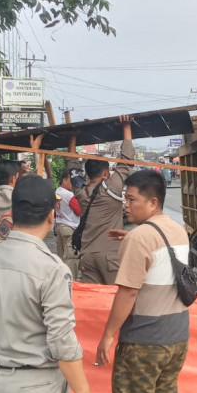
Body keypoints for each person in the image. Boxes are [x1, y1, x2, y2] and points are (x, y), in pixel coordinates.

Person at [0, 175, 98, 393]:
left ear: (13, 212)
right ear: (51, 216)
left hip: (1, 381)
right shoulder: (51, 269)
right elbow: (62, 341)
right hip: (40, 387)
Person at [96, 169, 190, 393]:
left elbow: (128, 292)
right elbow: (160, 258)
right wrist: (130, 239)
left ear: (153, 202)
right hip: (177, 336)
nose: (126, 205)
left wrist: (108, 334)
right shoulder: (177, 229)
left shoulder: (139, 238)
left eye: (131, 199)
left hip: (144, 341)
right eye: (125, 199)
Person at [66, 115, 135, 284]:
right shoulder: (111, 188)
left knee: (95, 302)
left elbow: (73, 166)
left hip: (87, 256)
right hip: (110, 256)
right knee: (114, 299)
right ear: (105, 173)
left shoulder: (80, 191)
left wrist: (72, 138)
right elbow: (126, 161)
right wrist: (126, 125)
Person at [56, 169, 82, 279]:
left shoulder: (57, 191)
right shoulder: (69, 195)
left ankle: (61, 280)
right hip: (69, 228)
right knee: (71, 259)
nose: (74, 184)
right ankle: (70, 282)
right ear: (64, 180)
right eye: (72, 181)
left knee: (61, 257)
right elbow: (79, 211)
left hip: (59, 226)